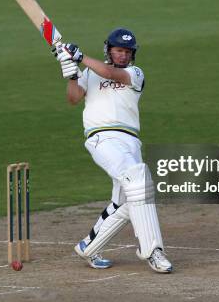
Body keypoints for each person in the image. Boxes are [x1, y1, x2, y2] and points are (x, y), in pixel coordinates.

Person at [53, 28, 173, 273]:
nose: (122, 55)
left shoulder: (134, 74)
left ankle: (88, 247)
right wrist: (72, 75)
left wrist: (79, 57)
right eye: (118, 50)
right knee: (138, 179)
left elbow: (109, 73)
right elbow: (73, 99)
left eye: (127, 51)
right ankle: (153, 251)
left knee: (129, 200)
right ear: (109, 49)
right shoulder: (89, 72)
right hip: (102, 138)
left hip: (130, 142)